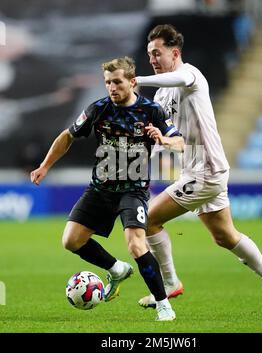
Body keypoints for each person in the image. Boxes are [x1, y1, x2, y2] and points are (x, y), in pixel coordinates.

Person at [135, 24, 262, 316]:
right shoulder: (161, 96)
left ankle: (169, 283)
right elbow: (165, 140)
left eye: (157, 53)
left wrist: (138, 79)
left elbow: (179, 78)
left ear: (175, 52)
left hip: (205, 171)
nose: (153, 59)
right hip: (196, 171)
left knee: (146, 220)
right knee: (224, 236)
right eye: (149, 55)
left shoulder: (191, 75)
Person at [30, 56, 184, 321]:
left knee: (136, 244)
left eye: (117, 82)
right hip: (100, 188)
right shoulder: (98, 109)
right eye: (108, 83)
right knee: (71, 240)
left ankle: (163, 305)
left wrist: (163, 140)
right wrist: (45, 165)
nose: (112, 88)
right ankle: (116, 269)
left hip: (132, 190)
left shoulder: (151, 111)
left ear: (132, 82)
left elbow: (179, 142)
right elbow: (67, 136)